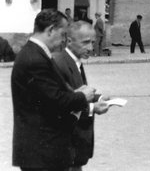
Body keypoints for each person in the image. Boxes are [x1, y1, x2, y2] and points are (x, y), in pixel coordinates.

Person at [11, 9, 97, 170]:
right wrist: (82, 96)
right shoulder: (34, 59)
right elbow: (56, 100)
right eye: (63, 34)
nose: (64, 40)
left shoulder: (36, 54)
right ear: (51, 30)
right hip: (42, 151)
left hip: (44, 150)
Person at [53, 21, 111, 170]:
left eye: (92, 42)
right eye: (85, 43)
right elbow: (61, 103)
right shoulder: (59, 63)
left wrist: (98, 98)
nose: (91, 48)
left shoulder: (74, 61)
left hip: (75, 144)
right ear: (70, 40)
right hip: (66, 143)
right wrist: (92, 108)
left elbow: (75, 92)